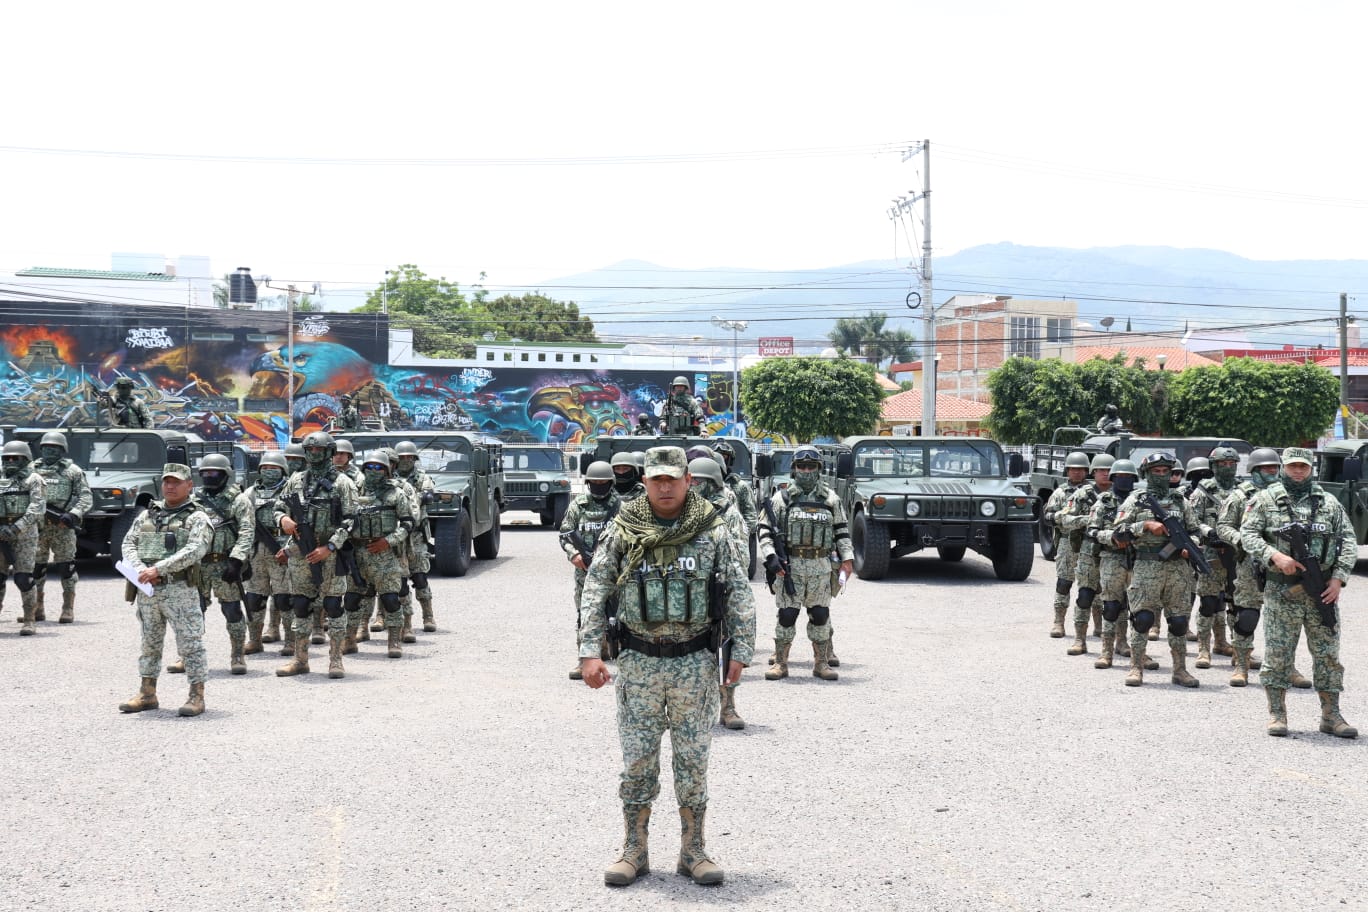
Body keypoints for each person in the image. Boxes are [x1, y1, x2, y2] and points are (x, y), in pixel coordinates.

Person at [577, 446, 754, 887]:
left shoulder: (713, 530)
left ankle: (693, 851)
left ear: (688, 480)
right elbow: (595, 589)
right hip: (638, 664)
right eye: (656, 479)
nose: (665, 486)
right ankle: (634, 850)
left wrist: (742, 651)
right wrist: (588, 652)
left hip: (695, 662)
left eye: (673, 479)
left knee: (693, 761)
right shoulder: (623, 529)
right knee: (637, 762)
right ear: (646, 481)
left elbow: (737, 590)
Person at [1240, 447, 1358, 738]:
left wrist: (1339, 579)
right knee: (1279, 655)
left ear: (1310, 469)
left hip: (1323, 592)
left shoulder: (1328, 502)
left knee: (1328, 655)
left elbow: (1349, 540)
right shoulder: (1266, 499)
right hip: (1283, 592)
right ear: (1283, 468)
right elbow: (1247, 534)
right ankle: (1277, 714)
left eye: (1303, 467)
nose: (1298, 472)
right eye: (1292, 466)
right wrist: (1273, 556)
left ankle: (1331, 715)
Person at [117, 464, 212, 717]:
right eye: (167, 482)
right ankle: (147, 693)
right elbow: (128, 543)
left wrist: (158, 569)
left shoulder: (197, 517)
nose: (170, 486)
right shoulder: (148, 515)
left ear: (189, 485)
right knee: (149, 643)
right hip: (147, 590)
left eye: (176, 482)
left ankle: (196, 696)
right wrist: (139, 570)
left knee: (190, 644)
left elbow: (194, 550)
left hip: (179, 589)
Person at [757, 445, 853, 682]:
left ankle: (821, 663)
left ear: (819, 469)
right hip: (790, 568)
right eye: (802, 466)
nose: (806, 471)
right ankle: (781, 663)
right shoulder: (782, 499)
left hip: (821, 568)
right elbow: (765, 531)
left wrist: (847, 560)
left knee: (820, 614)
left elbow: (841, 532)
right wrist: (771, 557)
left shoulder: (831, 499)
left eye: (811, 466)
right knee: (787, 615)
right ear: (794, 469)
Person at [1115, 452, 1208, 687]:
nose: (1161, 475)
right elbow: (1118, 533)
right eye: (1156, 471)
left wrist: (1192, 546)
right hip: (1147, 566)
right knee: (1143, 618)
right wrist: (1145, 525)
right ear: (1147, 473)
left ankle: (1180, 670)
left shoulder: (1181, 501)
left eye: (1165, 471)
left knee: (1178, 622)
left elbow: (1196, 531)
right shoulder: (1135, 500)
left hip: (1178, 569)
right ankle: (1136, 667)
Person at [273, 431, 359, 677]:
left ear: (329, 452)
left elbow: (351, 521)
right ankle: (300, 660)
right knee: (301, 605)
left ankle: (335, 660)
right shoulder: (296, 480)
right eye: (309, 450)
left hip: (330, 555)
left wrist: (330, 547)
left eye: (318, 451)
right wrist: (284, 519)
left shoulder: (343, 483)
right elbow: (278, 507)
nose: (313, 455)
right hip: (301, 553)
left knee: (333, 606)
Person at [164, 454, 254, 676]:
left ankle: (237, 654)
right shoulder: (194, 500)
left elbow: (246, 531)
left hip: (225, 565)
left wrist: (237, 560)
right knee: (194, 612)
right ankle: (187, 655)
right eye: (204, 473)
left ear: (225, 475)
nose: (209, 477)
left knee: (232, 610)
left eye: (214, 473)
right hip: (198, 566)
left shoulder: (238, 500)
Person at [688, 456, 750, 729]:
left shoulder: (728, 513)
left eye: (700, 481)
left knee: (725, 649)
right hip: (688, 593)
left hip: (719, 592)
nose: (694, 486)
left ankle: (728, 707)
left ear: (713, 483)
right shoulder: (681, 510)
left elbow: (741, 556)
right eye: (692, 480)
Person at [1216, 447, 1278, 687]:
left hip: (1279, 566)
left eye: (1274, 468)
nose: (1271, 472)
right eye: (1266, 468)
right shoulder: (1240, 496)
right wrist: (1241, 540)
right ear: (1254, 470)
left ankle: (1285, 666)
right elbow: (1223, 526)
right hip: (1249, 566)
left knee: (1282, 620)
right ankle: (1241, 664)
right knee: (1247, 616)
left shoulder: (1284, 496)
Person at [347, 452, 414, 667]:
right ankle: (349, 639)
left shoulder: (397, 494)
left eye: (379, 468)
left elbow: (407, 524)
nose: (373, 472)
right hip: (356, 554)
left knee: (390, 600)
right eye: (370, 467)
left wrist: (388, 541)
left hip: (384, 553)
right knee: (351, 600)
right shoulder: (352, 491)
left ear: (387, 470)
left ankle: (394, 641)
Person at [1087, 459, 1155, 671]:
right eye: (1120, 477)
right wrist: (1113, 537)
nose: (1124, 480)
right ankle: (1106, 652)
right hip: (1112, 558)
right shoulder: (1104, 502)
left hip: (1140, 559)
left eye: (1129, 477)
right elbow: (1092, 531)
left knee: (1138, 608)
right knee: (1111, 606)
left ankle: (1133, 649)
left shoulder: (1143, 501)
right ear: (1113, 478)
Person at [560, 460, 621, 680]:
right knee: (585, 615)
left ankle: (622, 658)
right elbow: (565, 533)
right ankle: (583, 659)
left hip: (613, 571)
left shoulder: (619, 506)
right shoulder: (579, 505)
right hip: (584, 571)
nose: (598, 485)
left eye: (603, 482)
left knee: (618, 615)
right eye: (594, 482)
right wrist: (573, 555)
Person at [31, 431, 92, 625]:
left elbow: (86, 497)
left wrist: (73, 514)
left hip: (62, 526)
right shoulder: (31, 470)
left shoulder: (73, 471)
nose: (50, 450)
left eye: (54, 448)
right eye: (46, 447)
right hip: (37, 527)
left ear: (62, 450)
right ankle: (36, 608)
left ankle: (67, 608)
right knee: (36, 568)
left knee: (66, 567)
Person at [1187, 446, 1238, 669]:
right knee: (1208, 602)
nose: (1227, 468)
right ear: (1213, 467)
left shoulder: (1243, 491)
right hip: (1210, 553)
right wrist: (1210, 533)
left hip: (1238, 554)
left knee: (1238, 604)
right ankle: (1203, 649)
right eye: (1222, 464)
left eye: (1231, 464)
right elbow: (1193, 520)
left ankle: (1234, 646)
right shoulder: (1203, 492)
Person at [243, 451, 292, 658]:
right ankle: (254, 640)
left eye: (274, 468)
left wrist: (290, 549)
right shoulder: (249, 493)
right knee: (254, 598)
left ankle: (291, 640)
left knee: (285, 599)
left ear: (283, 470)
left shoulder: (291, 491)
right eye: (264, 467)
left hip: (281, 550)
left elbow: (300, 522)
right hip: (256, 551)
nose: (268, 471)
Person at [1062, 454, 1113, 655]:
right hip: (1088, 551)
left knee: (1117, 600)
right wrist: (1090, 519)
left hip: (1115, 554)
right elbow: (1065, 519)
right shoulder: (1083, 494)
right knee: (1085, 596)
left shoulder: (1124, 495)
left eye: (1109, 470)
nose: (1106, 474)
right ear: (1093, 472)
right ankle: (1079, 640)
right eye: (1101, 470)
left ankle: (1118, 642)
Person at [0, 441, 46, 636]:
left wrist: (18, 527)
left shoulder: (34, 479)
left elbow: (37, 507)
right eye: (6, 458)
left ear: (25, 459)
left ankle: (29, 619)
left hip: (25, 534)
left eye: (15, 458)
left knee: (24, 578)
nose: (10, 461)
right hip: (1, 533)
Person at [1043, 452, 1090, 638]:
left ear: (1086, 471)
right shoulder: (1060, 492)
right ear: (1067, 471)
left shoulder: (1094, 493)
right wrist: (1062, 518)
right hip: (1067, 541)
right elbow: (1048, 516)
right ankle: (1058, 622)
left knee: (1094, 586)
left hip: (1089, 543)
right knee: (1064, 582)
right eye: (1073, 469)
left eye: (1080, 469)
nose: (1077, 473)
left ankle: (1099, 626)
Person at [394, 441, 437, 637]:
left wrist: (414, 496)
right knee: (398, 580)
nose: (405, 461)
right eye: (401, 457)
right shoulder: (390, 477)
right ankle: (404, 621)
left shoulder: (421, 477)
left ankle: (428, 615)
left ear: (414, 459)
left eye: (408, 457)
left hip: (416, 535)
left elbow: (428, 495)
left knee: (419, 575)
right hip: (396, 534)